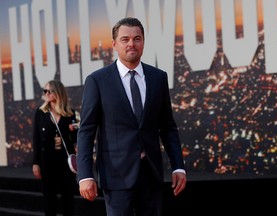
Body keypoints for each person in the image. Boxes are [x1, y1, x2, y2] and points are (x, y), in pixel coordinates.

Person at [77, 17, 187, 216]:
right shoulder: (97, 81)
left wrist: (178, 166)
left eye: (137, 38)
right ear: (114, 44)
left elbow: (168, 126)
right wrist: (85, 176)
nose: (131, 44)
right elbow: (86, 131)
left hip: (151, 174)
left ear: (143, 42)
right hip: (116, 176)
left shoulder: (158, 77)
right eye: (125, 39)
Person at [32, 80, 78, 216]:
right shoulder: (40, 113)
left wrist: (73, 131)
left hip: (65, 161)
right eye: (44, 91)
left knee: (68, 199)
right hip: (47, 161)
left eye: (49, 91)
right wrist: (36, 163)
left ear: (57, 92)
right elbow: (36, 139)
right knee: (49, 200)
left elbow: (76, 139)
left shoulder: (70, 114)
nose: (46, 94)